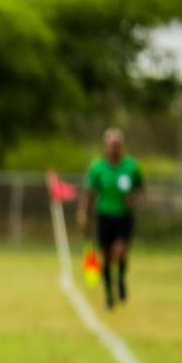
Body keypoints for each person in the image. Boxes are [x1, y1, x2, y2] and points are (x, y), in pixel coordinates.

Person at [79, 128, 144, 310]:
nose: (114, 148)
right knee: (106, 256)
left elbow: (141, 190)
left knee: (121, 252)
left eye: (117, 144)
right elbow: (90, 193)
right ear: (106, 146)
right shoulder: (98, 167)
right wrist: (84, 213)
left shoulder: (131, 167)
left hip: (124, 217)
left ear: (122, 146)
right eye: (111, 145)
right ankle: (109, 294)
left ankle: (121, 279)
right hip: (105, 216)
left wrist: (135, 200)